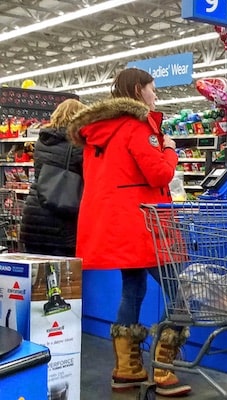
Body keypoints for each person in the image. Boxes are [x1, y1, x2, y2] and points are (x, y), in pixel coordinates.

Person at [67, 68, 190, 397]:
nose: (156, 96)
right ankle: (164, 369)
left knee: (132, 291)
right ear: (138, 89)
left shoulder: (99, 131)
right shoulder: (137, 126)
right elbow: (159, 174)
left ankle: (126, 369)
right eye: (153, 89)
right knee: (182, 288)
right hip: (144, 226)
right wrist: (169, 148)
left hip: (119, 226)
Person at [19, 99, 87, 256]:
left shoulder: (42, 141)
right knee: (63, 276)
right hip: (61, 220)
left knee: (37, 276)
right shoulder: (78, 145)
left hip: (34, 214)